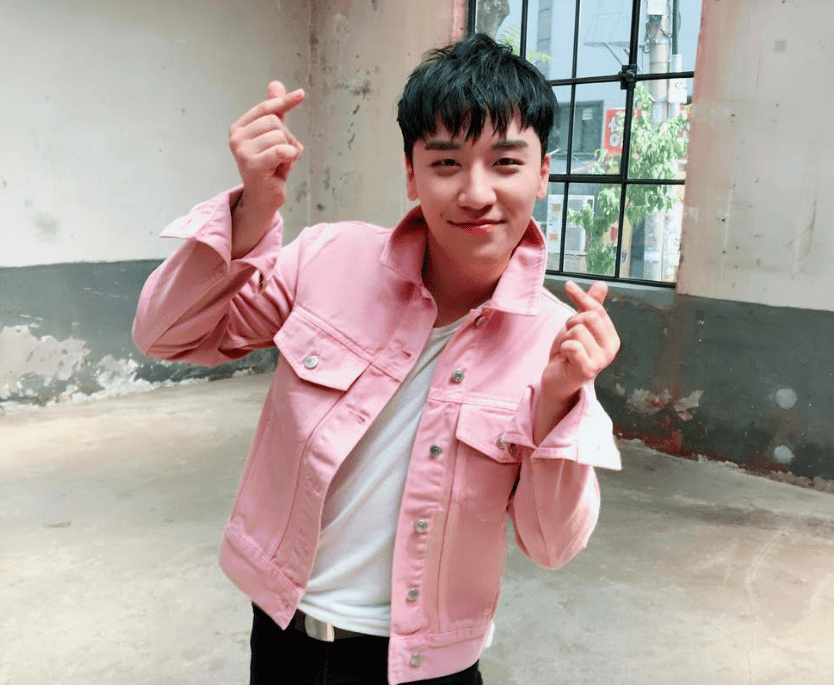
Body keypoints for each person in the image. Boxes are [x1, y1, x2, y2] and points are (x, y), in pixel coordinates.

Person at [133, 32, 622, 685]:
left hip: (425, 667)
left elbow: (551, 544)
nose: (476, 193)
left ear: (542, 174)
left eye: (506, 162)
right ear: (411, 174)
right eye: (446, 163)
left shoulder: (558, 340)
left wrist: (559, 399)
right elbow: (164, 334)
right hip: (284, 634)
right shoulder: (327, 258)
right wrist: (251, 210)